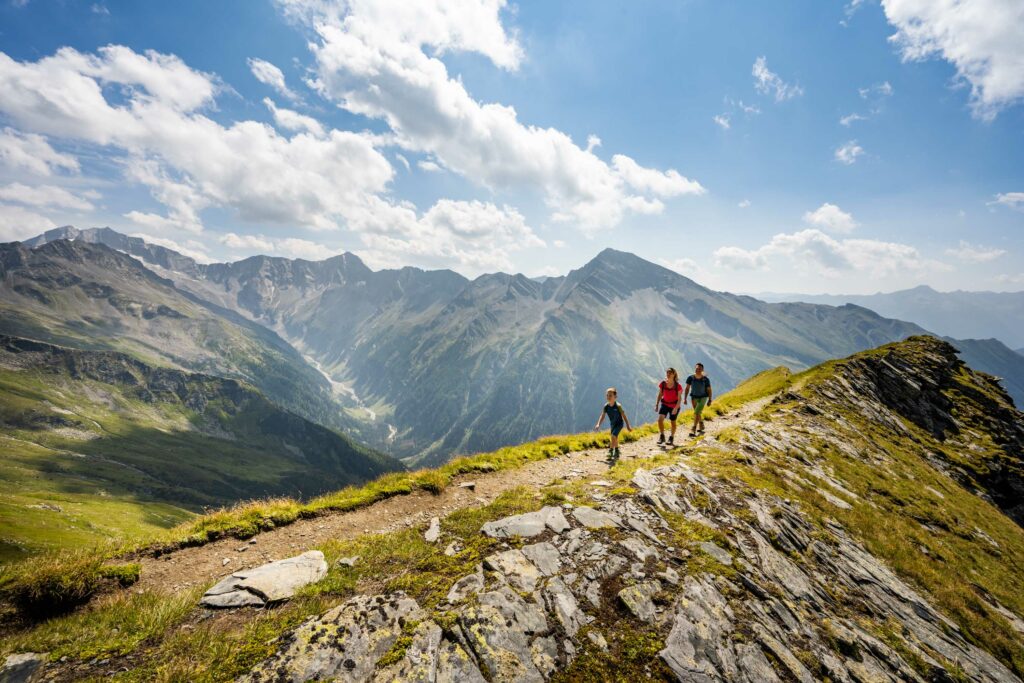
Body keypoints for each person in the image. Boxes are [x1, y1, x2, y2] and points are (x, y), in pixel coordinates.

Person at [595, 387, 632, 464]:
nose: (608, 397)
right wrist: (598, 424)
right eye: (607, 395)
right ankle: (617, 451)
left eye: (610, 395)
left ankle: (611, 452)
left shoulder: (618, 406)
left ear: (615, 397)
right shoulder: (606, 406)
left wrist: (628, 425)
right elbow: (602, 415)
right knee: (614, 438)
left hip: (619, 424)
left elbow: (624, 416)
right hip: (613, 424)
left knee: (613, 436)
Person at [654, 367, 683, 446]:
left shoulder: (678, 386)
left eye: (670, 373)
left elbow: (680, 398)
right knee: (660, 420)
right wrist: (657, 404)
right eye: (667, 373)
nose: (668, 374)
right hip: (665, 404)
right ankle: (662, 436)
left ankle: (671, 437)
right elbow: (660, 394)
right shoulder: (663, 384)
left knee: (672, 422)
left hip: (674, 406)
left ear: (674, 374)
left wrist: (676, 408)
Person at [684, 363, 712, 437]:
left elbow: (709, 389)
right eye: (697, 368)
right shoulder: (690, 378)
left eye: (699, 369)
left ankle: (693, 429)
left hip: (703, 397)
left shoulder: (705, 379)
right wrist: (685, 398)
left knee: (696, 412)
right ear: (695, 369)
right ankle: (701, 423)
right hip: (694, 397)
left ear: (702, 370)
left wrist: (710, 399)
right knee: (697, 412)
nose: (698, 370)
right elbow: (687, 388)